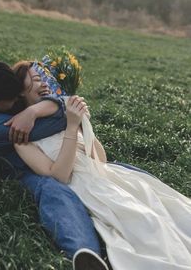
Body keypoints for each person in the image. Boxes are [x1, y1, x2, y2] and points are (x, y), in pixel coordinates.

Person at [12, 60, 191, 270]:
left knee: (169, 208)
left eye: (43, 78)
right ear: (20, 91)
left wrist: (83, 124)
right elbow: (60, 176)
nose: (42, 83)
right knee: (147, 222)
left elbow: (100, 158)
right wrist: (71, 127)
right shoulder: (21, 136)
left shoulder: (61, 115)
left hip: (103, 173)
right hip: (82, 184)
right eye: (34, 80)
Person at [0, 60, 109, 270]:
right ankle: (84, 252)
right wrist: (65, 109)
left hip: (48, 154)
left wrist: (33, 110)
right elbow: (49, 124)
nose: (16, 105)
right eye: (12, 102)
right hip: (21, 169)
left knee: (120, 174)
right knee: (53, 190)